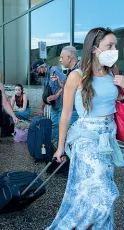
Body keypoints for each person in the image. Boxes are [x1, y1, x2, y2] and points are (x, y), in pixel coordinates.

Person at [47, 27, 124, 230]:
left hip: (108, 139)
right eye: (109, 46)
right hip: (86, 137)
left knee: (89, 194)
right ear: (94, 49)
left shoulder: (113, 72)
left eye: (115, 45)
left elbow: (116, 102)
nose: (114, 49)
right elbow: (65, 114)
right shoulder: (76, 76)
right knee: (103, 192)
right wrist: (60, 146)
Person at [38, 63, 69, 142]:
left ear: (42, 67)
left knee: (62, 125)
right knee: (54, 125)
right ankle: (53, 145)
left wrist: (57, 95)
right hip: (54, 105)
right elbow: (44, 94)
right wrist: (41, 109)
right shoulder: (43, 78)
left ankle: (62, 145)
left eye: (37, 70)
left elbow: (67, 84)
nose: (36, 72)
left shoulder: (54, 70)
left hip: (62, 103)